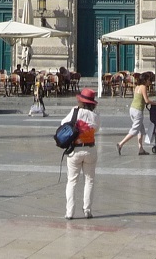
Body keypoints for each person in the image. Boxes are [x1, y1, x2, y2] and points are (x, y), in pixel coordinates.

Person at [62, 87, 100, 220]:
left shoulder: (74, 111)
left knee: (72, 181)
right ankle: (87, 210)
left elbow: (63, 124)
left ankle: (69, 212)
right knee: (89, 180)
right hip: (90, 149)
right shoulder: (95, 117)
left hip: (75, 150)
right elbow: (96, 129)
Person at [117, 75, 156, 155]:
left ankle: (141, 149)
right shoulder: (143, 87)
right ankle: (120, 144)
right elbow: (146, 100)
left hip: (132, 109)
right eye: (149, 80)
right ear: (145, 80)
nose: (150, 82)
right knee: (135, 130)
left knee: (140, 130)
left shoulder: (137, 87)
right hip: (138, 110)